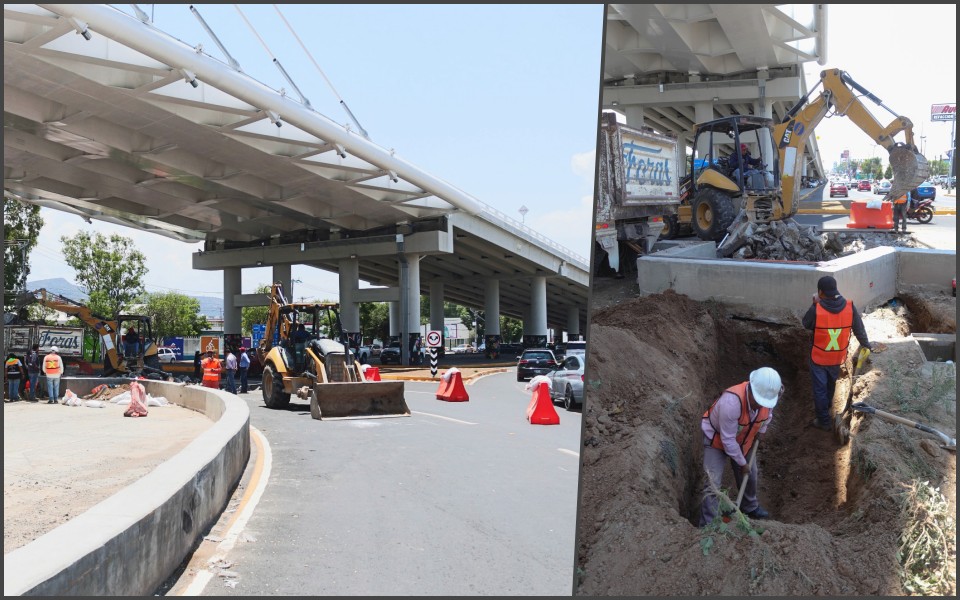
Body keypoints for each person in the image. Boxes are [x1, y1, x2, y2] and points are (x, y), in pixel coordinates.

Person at [699, 367, 782, 526]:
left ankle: (750, 506)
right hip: (717, 439)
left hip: (744, 438)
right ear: (750, 389)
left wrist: (761, 430)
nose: (760, 405)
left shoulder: (768, 395)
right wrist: (742, 463)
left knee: (752, 474)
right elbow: (728, 440)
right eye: (758, 401)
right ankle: (708, 524)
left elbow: (767, 416)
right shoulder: (731, 402)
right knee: (712, 483)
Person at [802, 276, 874, 431]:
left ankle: (824, 421)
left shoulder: (817, 309)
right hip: (836, 357)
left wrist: (814, 304)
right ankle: (827, 408)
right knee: (830, 385)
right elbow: (859, 329)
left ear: (820, 292)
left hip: (819, 357)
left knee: (819, 389)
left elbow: (806, 324)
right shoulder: (849, 307)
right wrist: (866, 345)